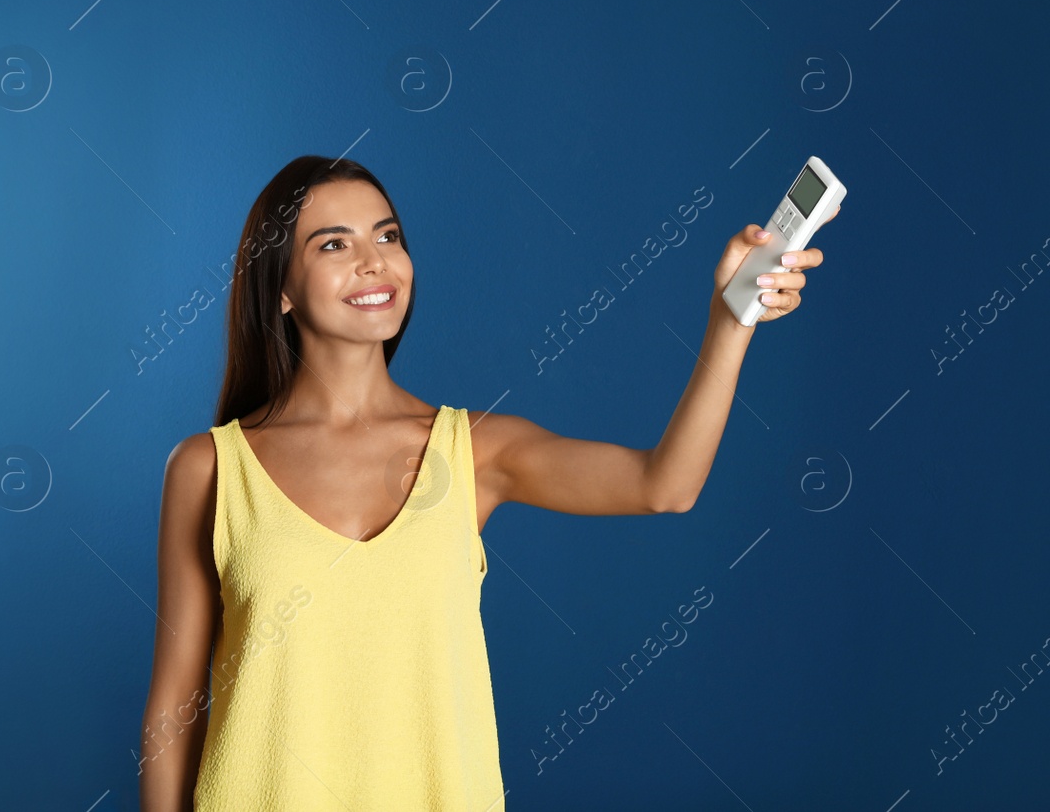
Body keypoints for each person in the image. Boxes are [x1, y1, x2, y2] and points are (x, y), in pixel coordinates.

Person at [138, 155, 837, 811]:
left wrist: (729, 322)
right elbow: (174, 699)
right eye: (333, 244)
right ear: (282, 287)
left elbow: (664, 484)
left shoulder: (476, 450)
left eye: (388, 235)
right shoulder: (209, 467)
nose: (374, 261)